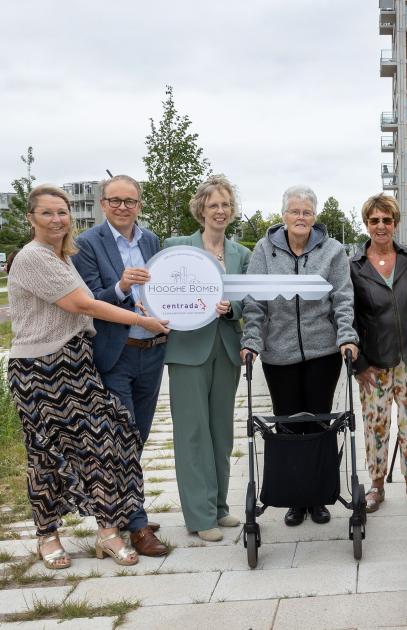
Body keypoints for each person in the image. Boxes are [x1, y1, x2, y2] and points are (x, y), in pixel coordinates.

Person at [7, 184, 169, 570]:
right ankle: (47, 537)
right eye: (47, 213)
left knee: (106, 444)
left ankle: (109, 531)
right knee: (47, 456)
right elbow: (82, 303)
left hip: (77, 364)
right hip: (40, 369)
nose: (57, 220)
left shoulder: (61, 256)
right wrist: (140, 319)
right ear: (31, 218)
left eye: (62, 212)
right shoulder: (33, 258)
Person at [240, 184, 359, 527]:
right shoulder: (264, 250)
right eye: (295, 211)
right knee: (288, 425)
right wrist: (251, 341)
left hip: (323, 353)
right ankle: (295, 497)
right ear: (284, 216)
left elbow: (342, 299)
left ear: (314, 216)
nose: (301, 217)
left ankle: (319, 496)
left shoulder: (333, 250)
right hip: (279, 355)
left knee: (320, 424)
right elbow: (254, 302)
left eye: (307, 212)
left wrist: (346, 337)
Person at [72, 174, 169, 557]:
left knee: (139, 435)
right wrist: (122, 287)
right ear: (103, 204)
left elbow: (162, 291)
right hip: (117, 353)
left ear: (139, 204)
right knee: (121, 438)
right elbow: (89, 298)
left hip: (153, 351)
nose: (124, 207)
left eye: (131, 201)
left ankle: (126, 509)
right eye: (116, 200)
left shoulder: (151, 241)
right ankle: (138, 527)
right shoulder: (87, 244)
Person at [163, 175, 251, 542]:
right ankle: (199, 516)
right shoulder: (177, 247)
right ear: (201, 209)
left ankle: (219, 507)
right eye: (213, 204)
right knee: (192, 433)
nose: (220, 210)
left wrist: (233, 308)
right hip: (187, 350)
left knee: (221, 432)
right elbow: (159, 289)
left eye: (226, 205)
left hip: (226, 347)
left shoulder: (241, 254)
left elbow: (248, 299)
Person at [350, 194, 407, 510]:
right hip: (374, 363)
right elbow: (349, 316)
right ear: (367, 224)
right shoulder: (354, 267)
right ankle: (377, 485)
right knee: (375, 424)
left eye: (386, 220)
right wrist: (360, 364)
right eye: (374, 220)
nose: (381, 226)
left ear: (396, 224)